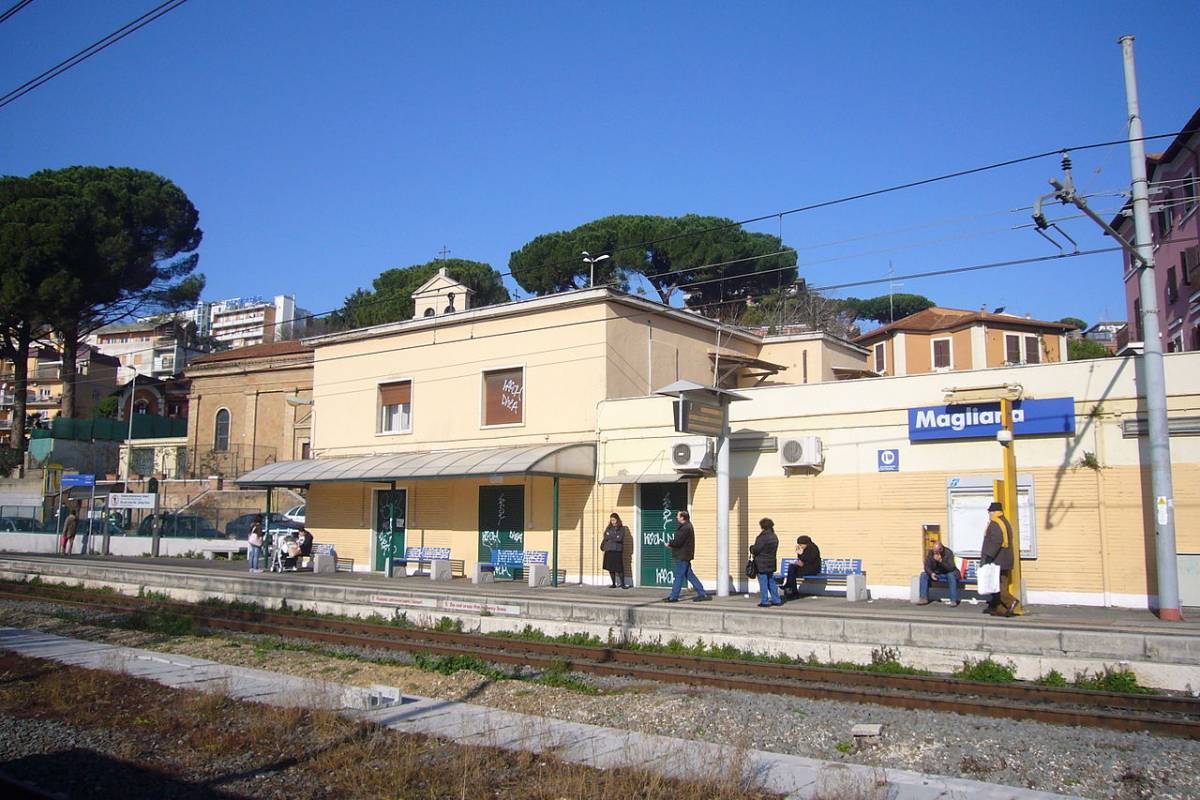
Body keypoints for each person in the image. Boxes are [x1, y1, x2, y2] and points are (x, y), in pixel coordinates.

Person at [663, 510, 710, 603]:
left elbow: (678, 541)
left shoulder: (685, 528)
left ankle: (674, 596)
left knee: (679, 575)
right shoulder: (687, 526)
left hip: (682, 556)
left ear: (682, 517)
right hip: (685, 555)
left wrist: (669, 544)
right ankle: (702, 593)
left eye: (678, 516)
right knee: (689, 575)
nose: (676, 518)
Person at [980, 501, 1017, 617]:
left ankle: (1011, 602)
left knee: (999, 585)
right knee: (999, 585)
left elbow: (996, 541)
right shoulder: (1004, 522)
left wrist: (988, 556)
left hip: (998, 561)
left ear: (995, 512)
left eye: (990, 511)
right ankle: (1000, 610)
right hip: (1004, 560)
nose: (989, 513)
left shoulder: (996, 523)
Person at [750, 517, 782, 607]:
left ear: (762, 526)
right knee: (771, 581)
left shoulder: (762, 537)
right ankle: (776, 599)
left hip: (761, 563)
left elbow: (756, 549)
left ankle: (764, 600)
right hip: (771, 562)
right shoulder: (774, 536)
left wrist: (751, 548)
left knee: (763, 581)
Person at [917, 541, 960, 605]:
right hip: (936, 573)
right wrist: (931, 573)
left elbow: (951, 568)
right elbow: (927, 566)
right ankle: (923, 598)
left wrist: (941, 561)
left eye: (936, 551)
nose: (935, 552)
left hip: (947, 572)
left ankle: (953, 600)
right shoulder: (931, 553)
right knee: (924, 575)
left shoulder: (948, 553)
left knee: (951, 576)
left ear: (941, 549)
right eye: (934, 550)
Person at [782, 535, 821, 599]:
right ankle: (792, 590)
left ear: (806, 543)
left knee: (792, 572)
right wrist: (799, 557)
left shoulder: (813, 548)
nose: (800, 546)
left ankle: (789, 587)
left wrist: (801, 556)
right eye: (799, 544)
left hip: (813, 569)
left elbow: (810, 560)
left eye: (801, 544)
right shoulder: (804, 549)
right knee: (792, 568)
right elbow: (802, 559)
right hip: (805, 567)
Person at [601, 513, 630, 589]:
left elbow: (619, 538)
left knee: (619, 568)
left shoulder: (622, 528)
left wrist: (610, 537)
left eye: (614, 520)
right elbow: (605, 536)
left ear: (617, 519)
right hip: (609, 550)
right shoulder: (609, 528)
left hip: (617, 550)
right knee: (610, 568)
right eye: (611, 520)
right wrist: (613, 537)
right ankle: (613, 583)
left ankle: (622, 584)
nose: (612, 522)